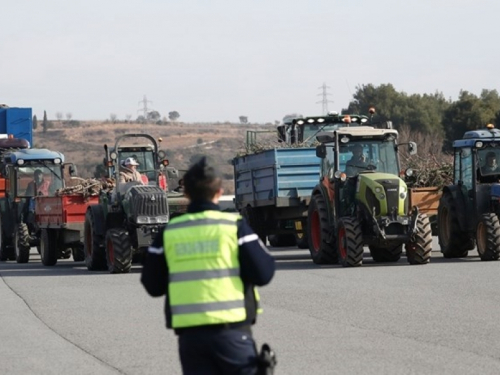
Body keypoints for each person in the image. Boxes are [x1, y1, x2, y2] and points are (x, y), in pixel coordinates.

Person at [141, 157, 275, 375]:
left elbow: (152, 285)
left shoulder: (169, 232)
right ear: (220, 192)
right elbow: (264, 273)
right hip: (233, 333)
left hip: (190, 339)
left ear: (186, 194)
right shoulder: (234, 227)